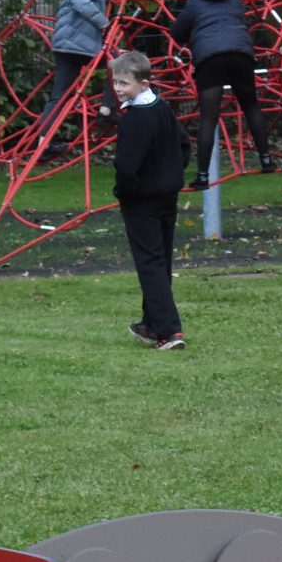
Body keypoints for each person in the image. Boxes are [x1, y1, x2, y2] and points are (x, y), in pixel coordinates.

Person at [166, 0, 277, 188]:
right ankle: (266, 159)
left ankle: (203, 176)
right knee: (251, 106)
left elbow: (176, 33)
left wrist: (194, 33)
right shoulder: (235, 0)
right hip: (240, 55)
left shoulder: (194, 3)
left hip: (210, 58)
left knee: (209, 117)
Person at [108, 49, 188, 349]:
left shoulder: (135, 118)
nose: (118, 89)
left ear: (143, 83)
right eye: (116, 83)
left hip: (142, 200)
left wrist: (125, 192)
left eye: (124, 83)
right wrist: (172, 174)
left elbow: (126, 165)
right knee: (160, 259)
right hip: (167, 194)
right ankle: (152, 325)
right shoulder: (162, 108)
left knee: (150, 263)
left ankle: (170, 330)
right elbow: (183, 143)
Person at [44, 0, 112, 139]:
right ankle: (107, 109)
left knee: (59, 97)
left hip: (66, 48)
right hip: (78, 47)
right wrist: (103, 23)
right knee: (117, 63)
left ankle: (43, 142)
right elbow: (82, 3)